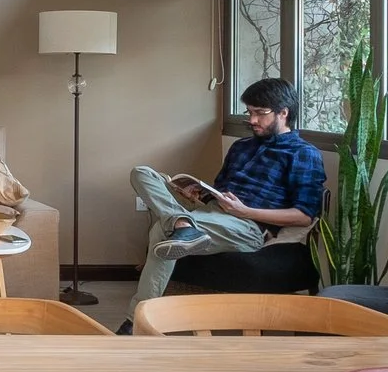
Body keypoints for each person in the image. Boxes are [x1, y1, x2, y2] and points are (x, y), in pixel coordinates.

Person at [128, 77, 326, 308]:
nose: (252, 120)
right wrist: (196, 194)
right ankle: (183, 223)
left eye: (260, 113)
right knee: (142, 173)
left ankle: (135, 320)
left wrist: (245, 211)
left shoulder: (303, 153)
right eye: (249, 112)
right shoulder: (240, 146)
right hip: (212, 211)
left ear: (283, 112)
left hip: (247, 226)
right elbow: (220, 189)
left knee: (162, 230)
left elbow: (304, 216)